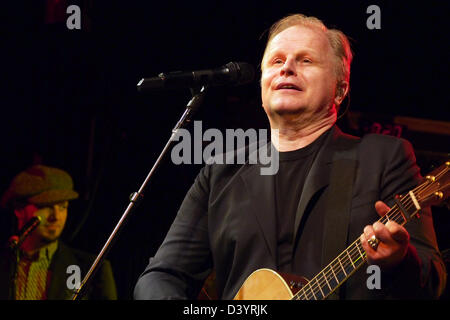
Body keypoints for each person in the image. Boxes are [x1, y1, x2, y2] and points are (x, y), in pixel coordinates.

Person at [133, 14, 446, 300]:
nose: (286, 68)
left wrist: (399, 260)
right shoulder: (222, 172)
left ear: (340, 89)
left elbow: (431, 282)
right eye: (276, 61)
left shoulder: (382, 158)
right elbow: (161, 277)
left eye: (306, 60)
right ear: (262, 84)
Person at [0, 164, 117, 300]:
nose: (56, 216)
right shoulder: (5, 262)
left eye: (63, 207)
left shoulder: (92, 269)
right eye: (45, 206)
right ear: (19, 210)